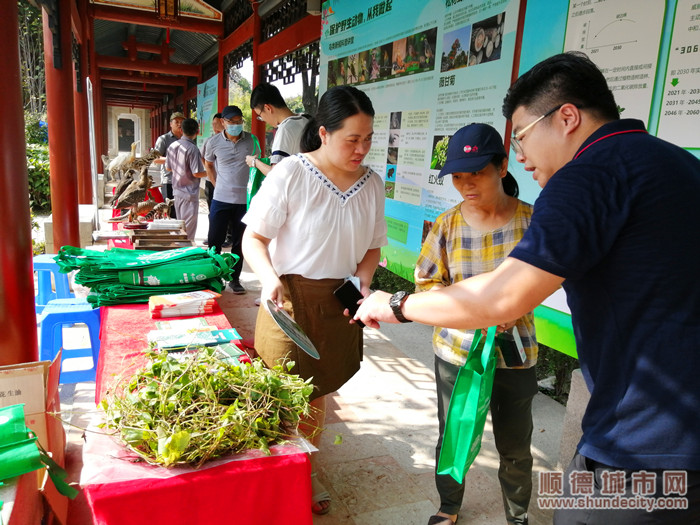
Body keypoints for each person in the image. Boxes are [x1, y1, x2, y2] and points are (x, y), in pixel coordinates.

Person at [355, 52, 700, 524]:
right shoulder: (677, 164)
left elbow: (499, 296)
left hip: (643, 440)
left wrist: (396, 303)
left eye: (521, 136)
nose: (520, 154)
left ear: (567, 117)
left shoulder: (586, 175)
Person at [242, 85, 387, 516]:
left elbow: (373, 246)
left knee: (316, 390)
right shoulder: (292, 174)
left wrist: (363, 279)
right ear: (323, 133)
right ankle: (271, 479)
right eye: (352, 139)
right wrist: (268, 278)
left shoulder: (372, 183)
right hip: (288, 297)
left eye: (368, 139)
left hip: (339, 299)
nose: (361, 149)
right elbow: (254, 237)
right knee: (280, 390)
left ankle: (303, 473)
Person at [418, 123, 537, 525]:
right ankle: (448, 506)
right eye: (458, 177)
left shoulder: (532, 222)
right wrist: (470, 315)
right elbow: (427, 283)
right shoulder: (447, 225)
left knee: (516, 443)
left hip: (517, 352)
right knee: (454, 431)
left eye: (477, 174)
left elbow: (547, 279)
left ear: (502, 167)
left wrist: (509, 311)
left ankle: (518, 515)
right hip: (456, 351)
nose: (466, 185)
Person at [203, 105, 255, 294]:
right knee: (214, 240)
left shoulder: (251, 140)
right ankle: (212, 277)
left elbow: (258, 163)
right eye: (232, 122)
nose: (236, 125)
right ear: (223, 122)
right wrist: (216, 184)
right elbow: (208, 164)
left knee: (240, 242)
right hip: (221, 199)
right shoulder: (213, 142)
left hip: (244, 201)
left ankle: (235, 279)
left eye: (239, 121)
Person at [245, 82, 310, 177]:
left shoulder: (285, 129)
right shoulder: (306, 119)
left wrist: (255, 162)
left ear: (268, 108)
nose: (263, 120)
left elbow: (276, 174)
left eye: (260, 116)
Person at [165, 118, 206, 242]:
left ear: (181, 130)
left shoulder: (173, 145)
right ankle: (185, 255)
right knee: (188, 231)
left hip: (177, 191)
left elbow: (168, 167)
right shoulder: (192, 149)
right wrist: (211, 171)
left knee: (180, 227)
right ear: (197, 131)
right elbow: (197, 173)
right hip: (189, 193)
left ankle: (179, 252)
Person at [154, 112, 185, 218]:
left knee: (182, 212)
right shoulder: (163, 139)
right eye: (177, 122)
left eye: (182, 122)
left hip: (184, 182)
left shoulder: (187, 139)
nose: (179, 124)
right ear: (171, 124)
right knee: (170, 213)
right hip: (169, 181)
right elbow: (155, 158)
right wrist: (173, 160)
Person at [200, 112, 224, 210]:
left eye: (217, 123)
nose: (214, 126)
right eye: (213, 124)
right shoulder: (209, 141)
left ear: (223, 123)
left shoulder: (230, 140)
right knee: (213, 209)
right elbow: (201, 156)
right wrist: (209, 170)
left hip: (225, 181)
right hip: (211, 180)